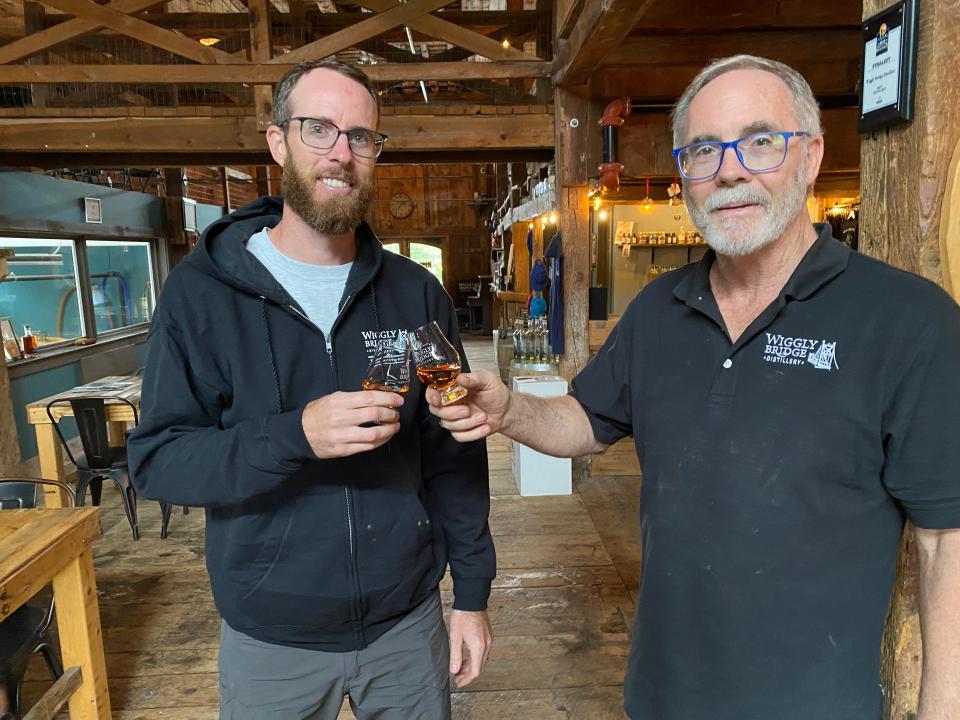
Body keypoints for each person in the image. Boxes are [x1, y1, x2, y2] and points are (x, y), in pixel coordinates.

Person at [428, 54, 960, 720]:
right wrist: (509, 409)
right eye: (703, 151)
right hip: (663, 693)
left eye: (761, 141)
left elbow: (947, 541)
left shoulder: (907, 319)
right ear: (684, 175)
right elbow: (586, 423)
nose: (730, 170)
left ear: (813, 154)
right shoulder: (658, 310)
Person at [128, 59, 495, 720]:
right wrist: (294, 435)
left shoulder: (415, 293)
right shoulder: (202, 293)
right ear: (277, 142)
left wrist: (471, 594)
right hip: (271, 637)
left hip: (405, 625)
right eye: (318, 129)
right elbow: (159, 461)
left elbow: (454, 460)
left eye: (361, 136)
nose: (340, 153)